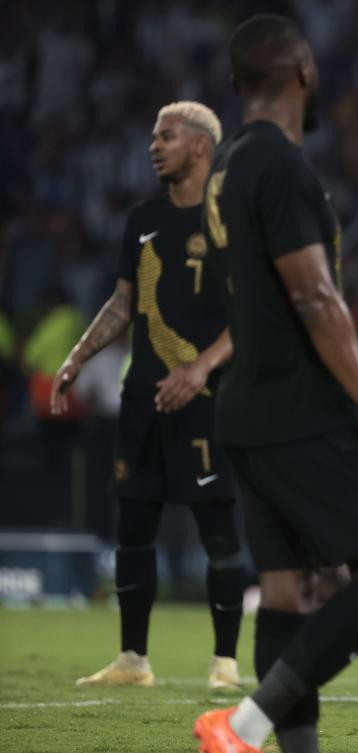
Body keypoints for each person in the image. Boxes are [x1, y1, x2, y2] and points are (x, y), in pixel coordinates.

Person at [192, 15, 358, 753]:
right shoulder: (282, 168)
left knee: (286, 594)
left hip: (246, 411)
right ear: (303, 73)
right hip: (300, 410)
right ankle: (243, 725)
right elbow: (317, 298)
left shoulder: (226, 167)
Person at [51, 101, 244, 692]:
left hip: (206, 396)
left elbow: (255, 314)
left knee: (217, 530)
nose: (154, 145)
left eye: (168, 136)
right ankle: (133, 658)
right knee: (132, 525)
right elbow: (121, 302)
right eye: (153, 136)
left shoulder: (231, 221)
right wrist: (78, 356)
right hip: (142, 397)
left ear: (202, 147)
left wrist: (200, 368)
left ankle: (224, 665)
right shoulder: (142, 218)